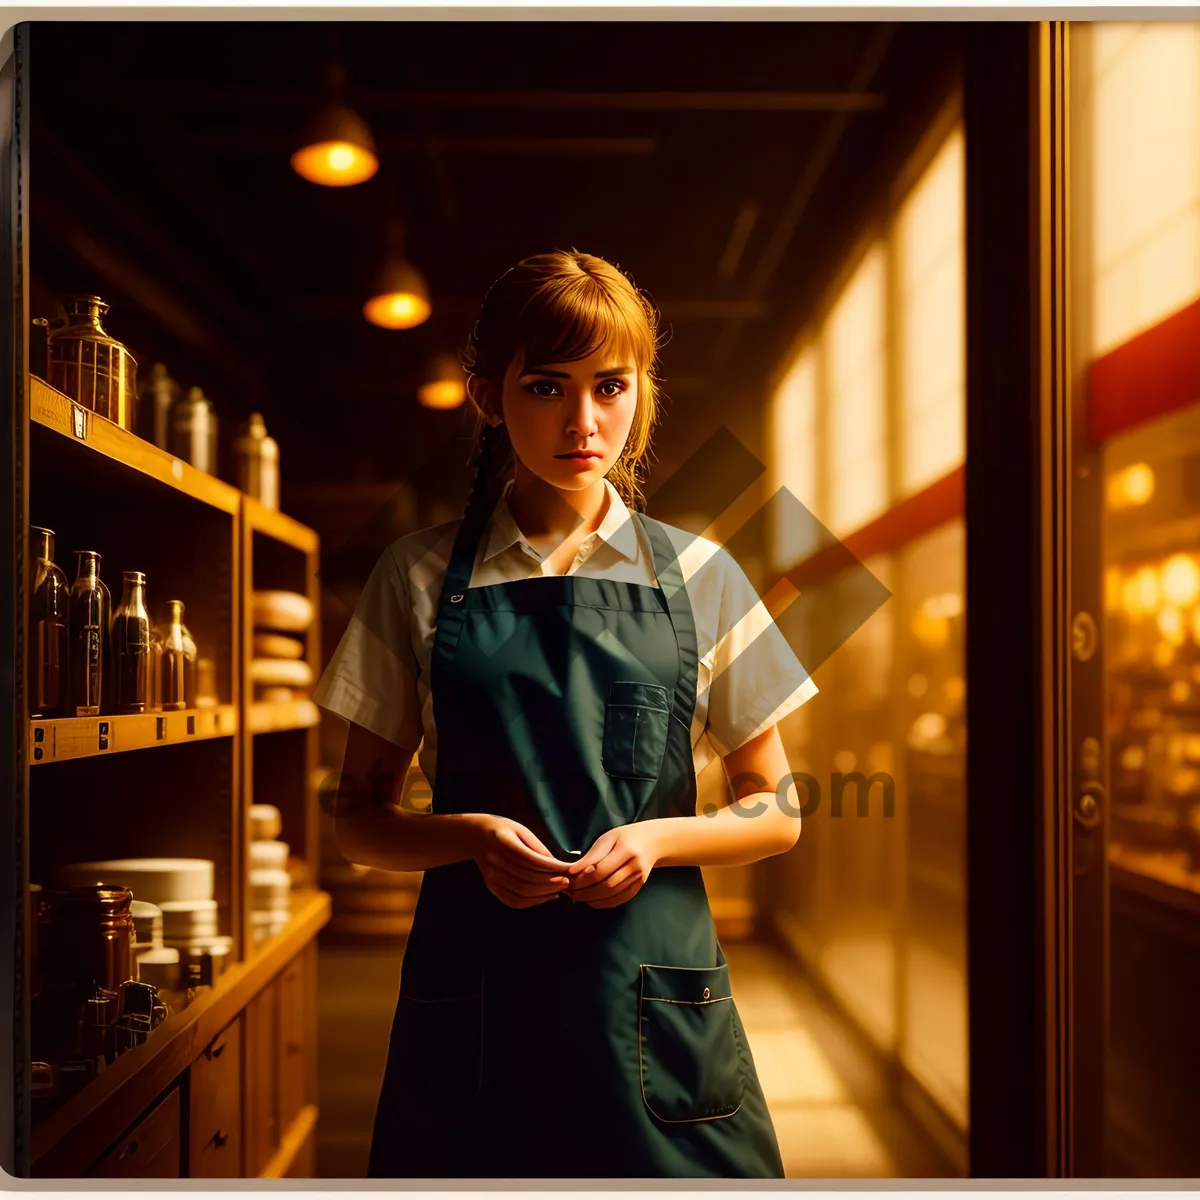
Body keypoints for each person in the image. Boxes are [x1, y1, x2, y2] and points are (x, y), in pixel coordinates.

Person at [312, 249, 818, 1179]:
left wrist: (659, 841)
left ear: (641, 394)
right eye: (547, 386)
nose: (583, 422)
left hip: (654, 1004)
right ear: (486, 395)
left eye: (609, 386)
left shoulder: (705, 578)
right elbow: (358, 821)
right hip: (478, 1003)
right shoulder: (416, 578)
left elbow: (778, 810)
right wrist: (467, 836)